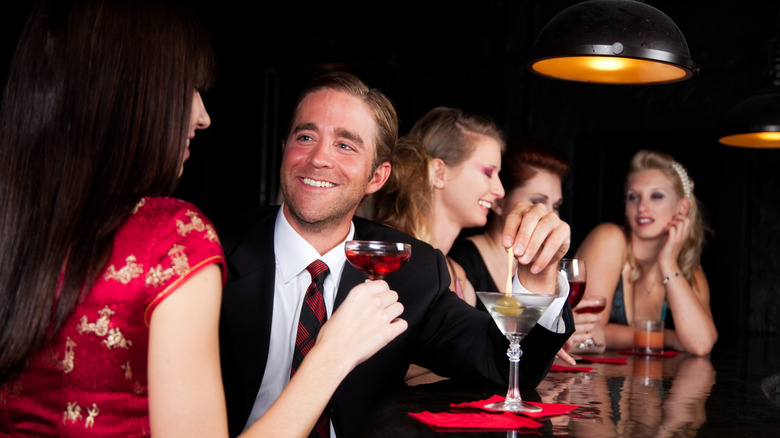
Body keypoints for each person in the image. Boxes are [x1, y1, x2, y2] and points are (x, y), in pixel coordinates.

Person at [0, 1, 404, 437]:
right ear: (131, 93)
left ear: (377, 176)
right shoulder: (174, 240)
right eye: (189, 87)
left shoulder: (17, 221)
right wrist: (334, 352)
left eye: (345, 146)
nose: (203, 116)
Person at [218, 71, 575, 438]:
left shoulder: (412, 271)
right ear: (284, 149)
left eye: (345, 145)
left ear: (377, 176)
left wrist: (537, 279)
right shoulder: (211, 251)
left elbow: (507, 367)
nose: (318, 158)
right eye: (305, 137)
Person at [447, 138, 596, 364]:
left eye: (556, 205)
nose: (550, 216)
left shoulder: (542, 267)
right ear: (498, 202)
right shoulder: (462, 263)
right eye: (537, 201)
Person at [574, 149, 717, 356]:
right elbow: (588, 334)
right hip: (589, 383)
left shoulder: (689, 272)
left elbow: (701, 344)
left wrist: (668, 262)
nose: (642, 207)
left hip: (651, 384)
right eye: (633, 197)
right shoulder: (609, 239)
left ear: (682, 207)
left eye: (656, 196)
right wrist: (667, 337)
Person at [368, 106, 506, 307]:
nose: (500, 190)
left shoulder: (460, 278)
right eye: (488, 172)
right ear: (439, 173)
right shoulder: (386, 255)